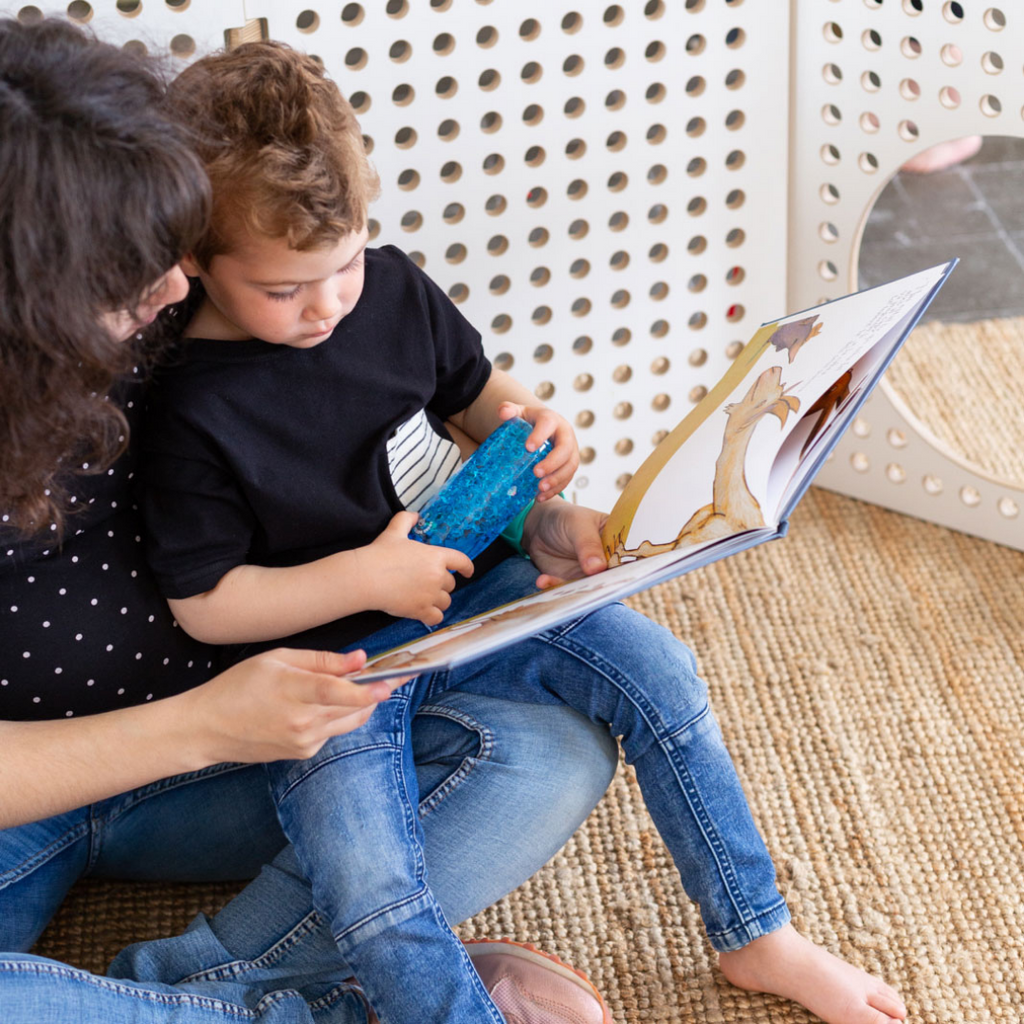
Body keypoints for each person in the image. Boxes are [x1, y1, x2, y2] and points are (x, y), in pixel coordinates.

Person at [134, 40, 909, 1024]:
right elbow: (206, 606)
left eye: (344, 265)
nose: (328, 304)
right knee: (370, 883)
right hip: (327, 676)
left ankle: (758, 933)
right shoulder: (188, 408)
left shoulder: (391, 287)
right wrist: (368, 579)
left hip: (481, 596)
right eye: (285, 290)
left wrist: (537, 424)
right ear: (195, 259)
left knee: (662, 674)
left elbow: (475, 397)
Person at [0, 18, 623, 1023]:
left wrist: (521, 498)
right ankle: (327, 999)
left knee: (548, 752)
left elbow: (402, 390)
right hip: (44, 789)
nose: (175, 285)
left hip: (249, 736)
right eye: (131, 275)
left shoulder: (185, 298)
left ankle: (189, 997)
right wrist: (199, 722)